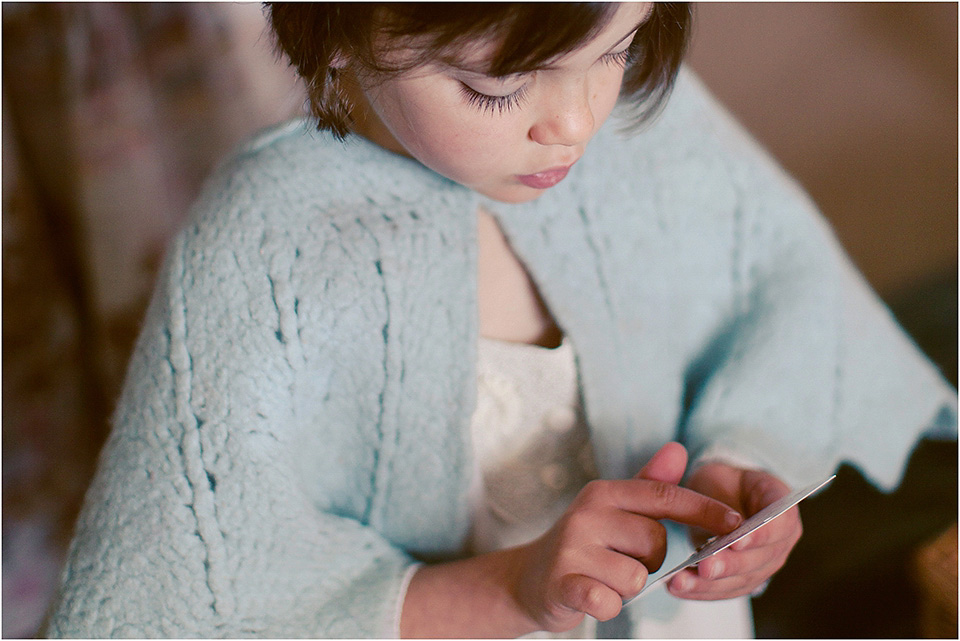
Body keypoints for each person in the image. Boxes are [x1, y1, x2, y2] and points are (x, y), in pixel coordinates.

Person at [45, 3, 956, 638]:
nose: (574, 123)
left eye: (620, 49)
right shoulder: (264, 251)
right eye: (494, 87)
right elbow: (204, 600)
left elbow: (780, 290)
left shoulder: (647, 126)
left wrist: (741, 475)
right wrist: (518, 589)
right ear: (336, 24)